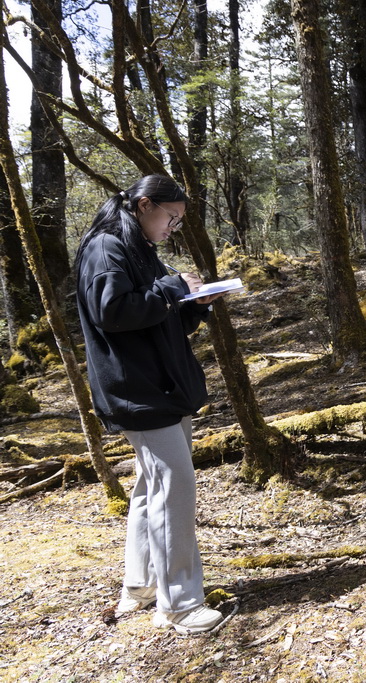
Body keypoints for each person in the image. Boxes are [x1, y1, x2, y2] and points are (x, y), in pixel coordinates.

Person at [75, 175, 226, 634]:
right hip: (138, 391)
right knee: (172, 490)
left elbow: (154, 321)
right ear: (144, 205)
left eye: (179, 221)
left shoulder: (136, 245)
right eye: (171, 217)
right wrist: (171, 288)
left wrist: (194, 303)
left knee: (151, 489)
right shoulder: (106, 247)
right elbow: (112, 313)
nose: (173, 228)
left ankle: (140, 586)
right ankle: (178, 603)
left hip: (160, 386)